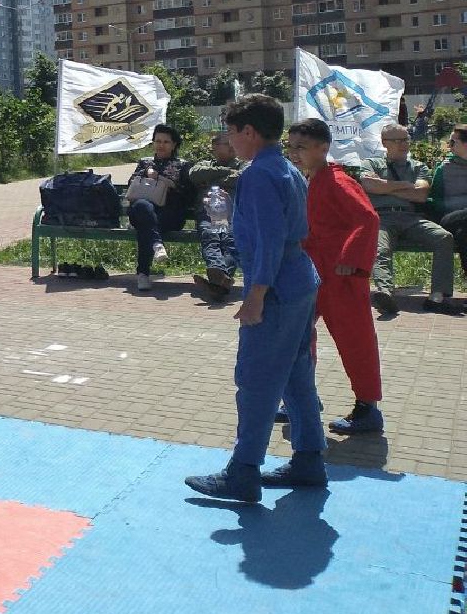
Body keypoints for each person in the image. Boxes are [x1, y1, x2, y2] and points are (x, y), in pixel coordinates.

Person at [186, 95, 326, 502]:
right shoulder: (287, 168)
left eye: (231, 132)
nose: (229, 140)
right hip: (300, 281)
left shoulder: (258, 175)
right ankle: (309, 459)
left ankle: (243, 471)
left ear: (249, 132)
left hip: (277, 287)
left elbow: (267, 240)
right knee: (296, 376)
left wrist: (256, 296)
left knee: (257, 380)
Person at [285, 119, 385, 437]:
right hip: (314, 272)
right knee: (297, 334)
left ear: (323, 147)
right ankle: (303, 397)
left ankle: (368, 408)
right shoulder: (309, 179)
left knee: (354, 340)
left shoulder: (338, 181)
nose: (294, 153)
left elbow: (368, 219)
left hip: (341, 277)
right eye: (291, 146)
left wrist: (350, 260)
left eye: (301, 147)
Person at [361, 123, 458, 316]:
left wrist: (385, 187)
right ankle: (385, 292)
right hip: (382, 217)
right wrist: (406, 185)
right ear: (384, 143)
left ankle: (437, 296)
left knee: (444, 237)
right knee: (381, 247)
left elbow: (421, 194)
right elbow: (370, 185)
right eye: (397, 140)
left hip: (411, 218)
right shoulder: (371, 163)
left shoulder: (418, 166)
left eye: (406, 139)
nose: (403, 144)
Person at [125, 124, 194, 293]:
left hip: (169, 215)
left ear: (174, 144)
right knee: (143, 207)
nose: (161, 145)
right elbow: (131, 185)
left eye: (166, 142)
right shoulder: (144, 163)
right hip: (142, 211)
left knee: (146, 226)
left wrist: (163, 180)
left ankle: (143, 274)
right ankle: (157, 244)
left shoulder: (182, 165)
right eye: (158, 141)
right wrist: (145, 174)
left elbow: (188, 193)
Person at [186, 132, 242, 301]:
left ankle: (217, 280)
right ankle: (221, 280)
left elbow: (242, 178)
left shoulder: (244, 164)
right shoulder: (205, 164)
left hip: (233, 213)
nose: (231, 147)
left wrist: (210, 181)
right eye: (224, 144)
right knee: (210, 237)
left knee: (231, 240)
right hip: (208, 212)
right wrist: (226, 173)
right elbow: (194, 174)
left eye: (232, 143)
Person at [428, 124, 467, 299]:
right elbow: (434, 200)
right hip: (449, 218)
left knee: (464, 235)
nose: (449, 146)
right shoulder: (444, 168)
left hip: (462, 227)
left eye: (452, 142)